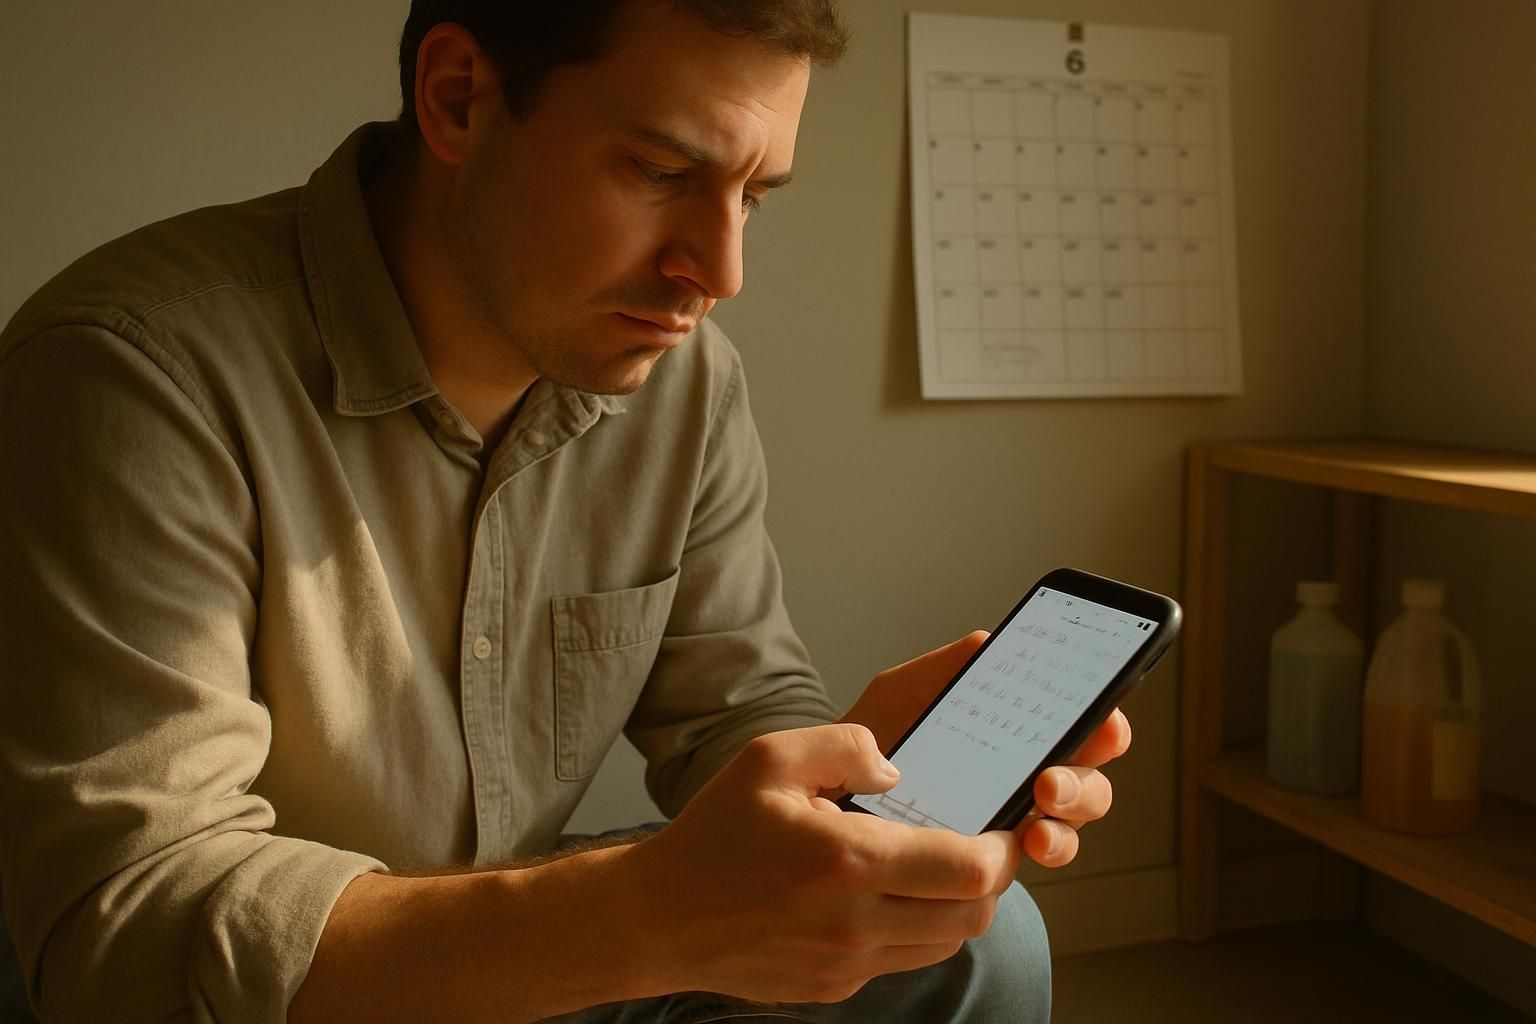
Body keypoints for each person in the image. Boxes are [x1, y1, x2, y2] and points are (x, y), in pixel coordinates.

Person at [0, 2, 1132, 1021]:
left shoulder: (682, 379)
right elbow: (132, 933)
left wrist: (864, 785)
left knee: (973, 946)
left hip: (546, 955)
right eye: (659, 171)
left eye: (753, 194)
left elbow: (733, 705)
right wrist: (645, 915)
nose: (719, 269)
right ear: (458, 97)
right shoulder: (133, 374)